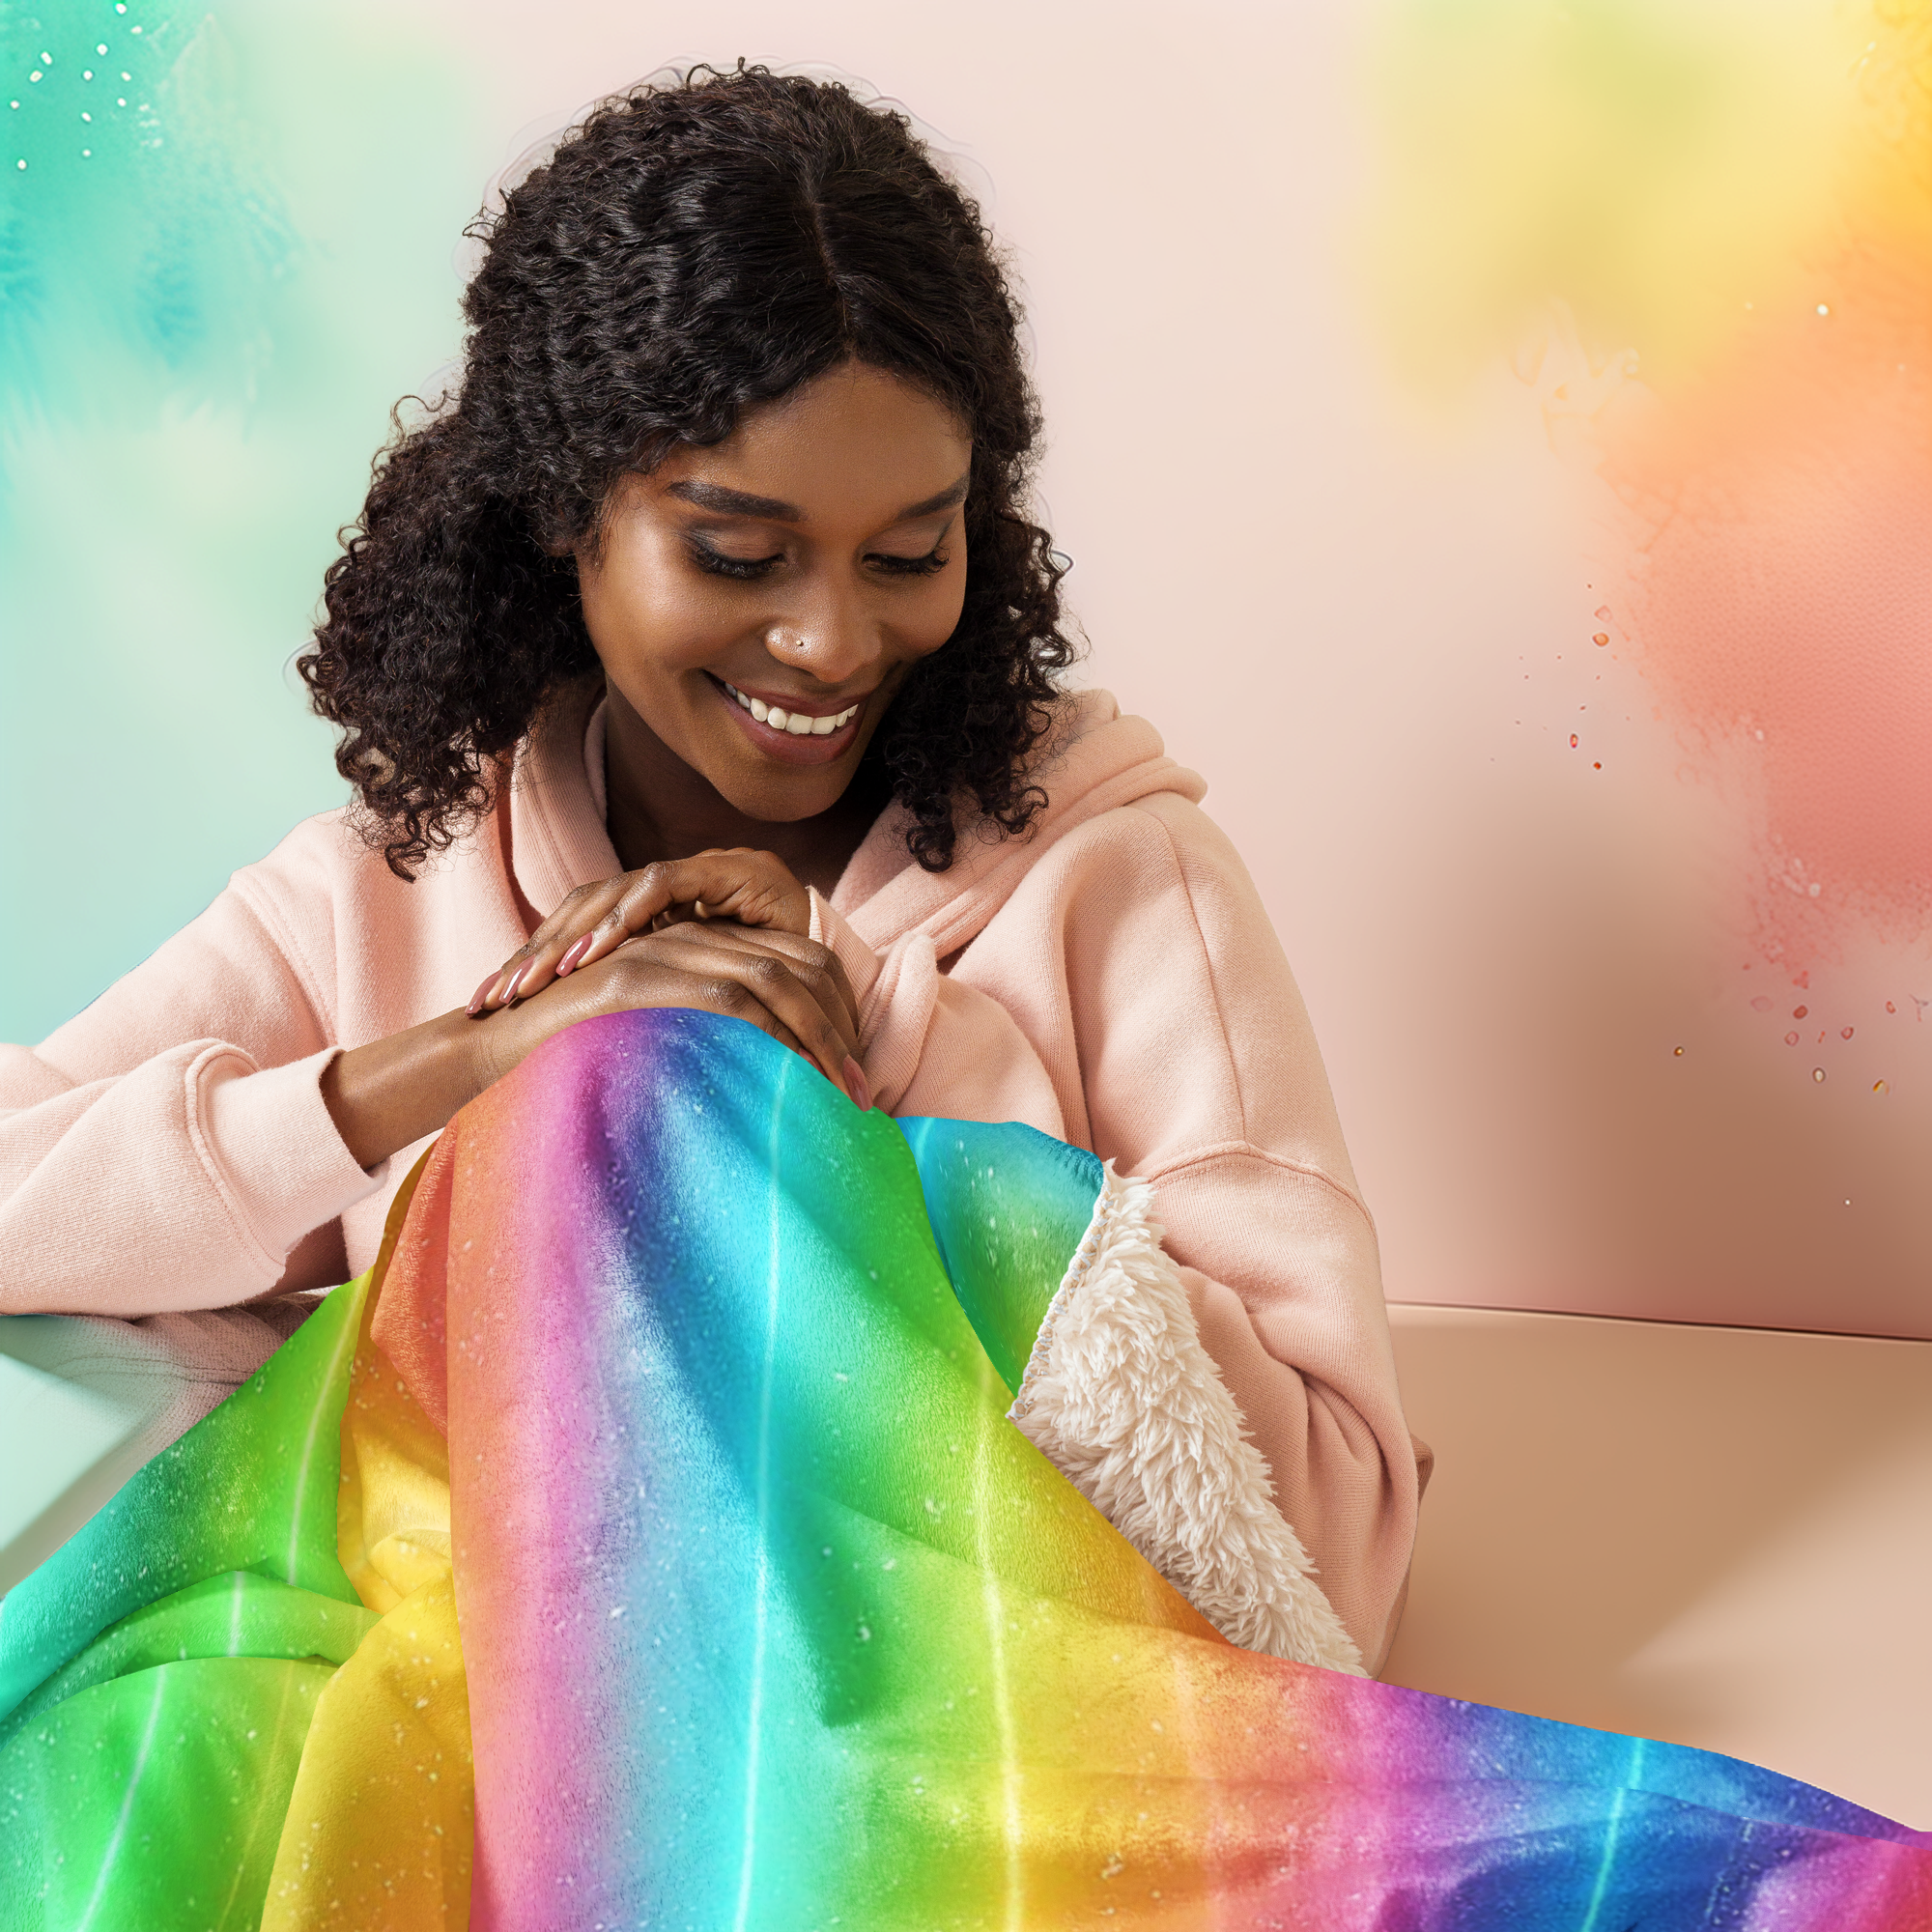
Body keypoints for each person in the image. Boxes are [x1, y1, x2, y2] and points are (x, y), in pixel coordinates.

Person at [0, 65, 1422, 1670]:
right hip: (486, 1736)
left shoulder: (1126, 886)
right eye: (736, 555)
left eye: (909, 554)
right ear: (561, 513)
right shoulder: (391, 883)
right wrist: (464, 1064)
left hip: (958, 1766)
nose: (830, 642)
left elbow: (1330, 1561)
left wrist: (873, 1043)